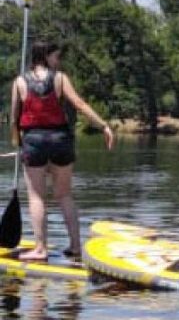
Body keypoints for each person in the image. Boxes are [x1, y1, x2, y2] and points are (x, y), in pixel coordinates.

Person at [9, 42, 115, 260]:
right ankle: (76, 246)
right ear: (46, 56)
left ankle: (40, 249)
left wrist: (17, 140)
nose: (58, 62)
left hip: (34, 141)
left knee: (37, 197)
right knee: (65, 195)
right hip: (60, 140)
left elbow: (14, 117)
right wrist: (103, 125)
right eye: (56, 57)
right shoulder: (60, 78)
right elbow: (79, 104)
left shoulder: (19, 82)